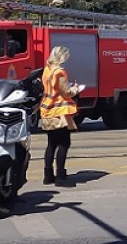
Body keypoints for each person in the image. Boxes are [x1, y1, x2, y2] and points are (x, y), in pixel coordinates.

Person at [39, 45, 80, 187]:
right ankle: (60, 176)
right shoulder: (60, 72)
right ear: (61, 57)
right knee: (64, 143)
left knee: (51, 144)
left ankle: (47, 175)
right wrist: (75, 89)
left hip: (47, 109)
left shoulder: (47, 70)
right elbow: (66, 92)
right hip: (59, 112)